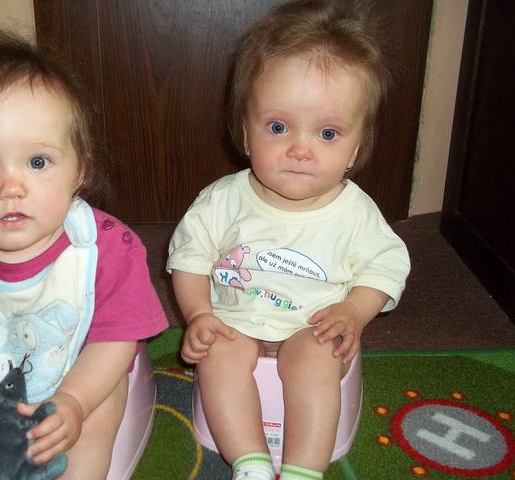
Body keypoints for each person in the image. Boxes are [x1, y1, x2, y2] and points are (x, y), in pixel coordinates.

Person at [0, 27, 168, 480]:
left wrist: (74, 402)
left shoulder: (105, 250)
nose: (11, 187)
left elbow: (115, 342)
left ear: (79, 170)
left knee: (93, 426)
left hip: (76, 379)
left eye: (38, 162)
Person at [167, 1, 411, 479]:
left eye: (328, 133)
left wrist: (352, 312)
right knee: (218, 353)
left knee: (317, 357)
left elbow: (385, 267)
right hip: (236, 324)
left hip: (309, 328)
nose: (300, 149)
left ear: (356, 149)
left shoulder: (355, 213)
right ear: (246, 132)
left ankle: (304, 469)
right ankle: (250, 462)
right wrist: (199, 315)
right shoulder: (222, 201)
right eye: (278, 128)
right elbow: (189, 259)